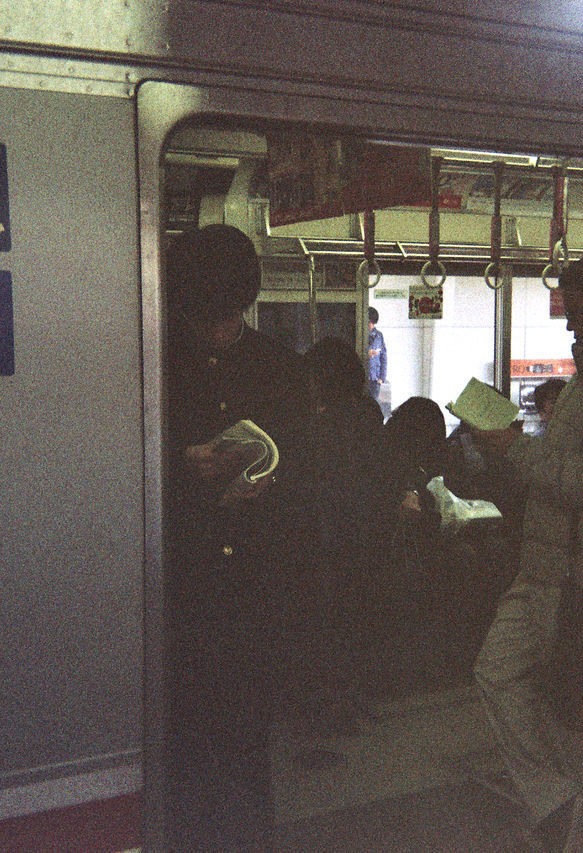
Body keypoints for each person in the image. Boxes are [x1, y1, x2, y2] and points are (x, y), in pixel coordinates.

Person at [470, 253, 583, 853]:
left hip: (578, 576)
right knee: (497, 675)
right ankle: (555, 800)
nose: (570, 321)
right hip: (542, 567)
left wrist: (513, 449)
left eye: (580, 307)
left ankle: (577, 827)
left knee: (574, 716)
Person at [161, 223, 311, 851]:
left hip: (255, 585)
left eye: (232, 315)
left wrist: (272, 486)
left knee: (249, 743)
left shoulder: (278, 365)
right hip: (182, 584)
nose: (221, 329)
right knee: (185, 743)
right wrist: (179, 469)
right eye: (206, 317)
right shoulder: (153, 362)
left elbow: (308, 466)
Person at [301, 336, 387, 732]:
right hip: (365, 537)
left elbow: (322, 485)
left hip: (330, 539)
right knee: (354, 624)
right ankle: (351, 701)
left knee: (328, 625)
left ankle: (330, 706)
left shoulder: (323, 425)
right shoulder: (368, 418)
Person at [366, 306, 389, 417]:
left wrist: (381, 378)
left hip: (375, 378)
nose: (370, 325)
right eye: (369, 322)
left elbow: (384, 357)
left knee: (373, 406)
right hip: (363, 376)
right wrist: (366, 354)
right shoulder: (360, 334)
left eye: (372, 322)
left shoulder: (379, 336)